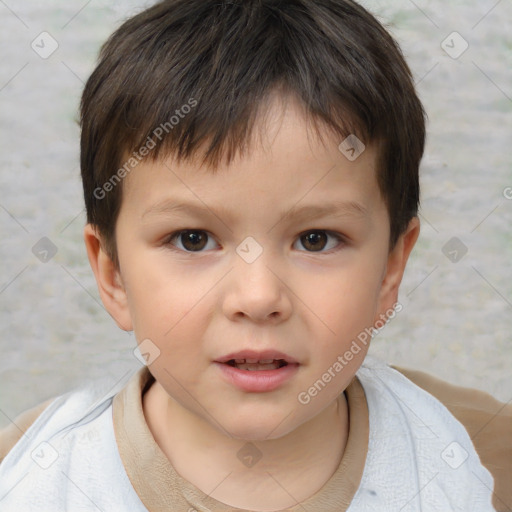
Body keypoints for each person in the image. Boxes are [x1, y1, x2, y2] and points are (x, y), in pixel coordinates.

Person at [0, 1, 510, 510]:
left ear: (390, 271)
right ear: (112, 275)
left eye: (316, 239)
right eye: (193, 239)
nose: (259, 297)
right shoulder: (43, 484)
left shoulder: (447, 460)